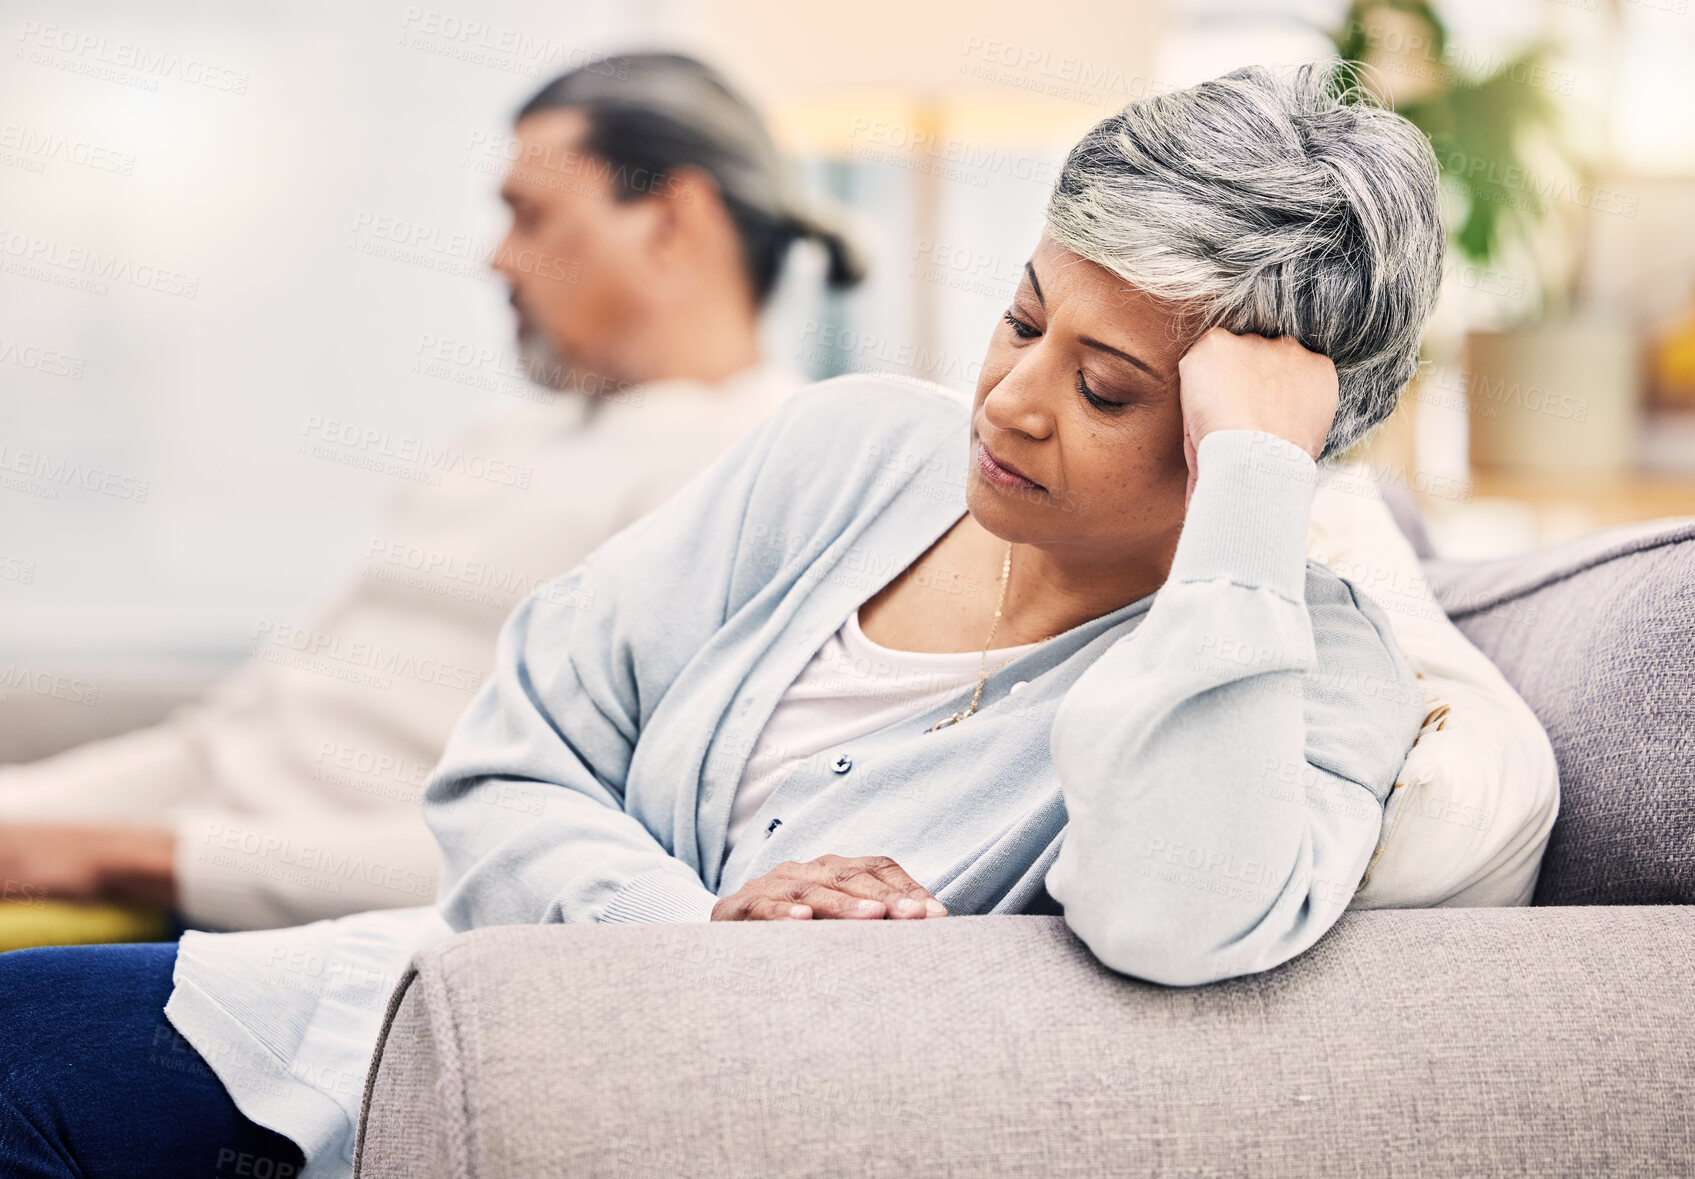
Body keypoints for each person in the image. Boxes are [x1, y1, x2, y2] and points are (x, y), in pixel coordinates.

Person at [0, 62, 1555, 1179]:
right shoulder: (851, 450)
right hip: (418, 1014)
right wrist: (696, 943)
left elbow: (1170, 911)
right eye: (1022, 315)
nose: (1008, 399)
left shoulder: (1310, 670)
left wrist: (1250, 510)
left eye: (1103, 388)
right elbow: (502, 765)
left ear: (1248, 438)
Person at [0, 52, 864, 938]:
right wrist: (27, 820)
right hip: (176, 859)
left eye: (529, 216)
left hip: (281, 923)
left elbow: (557, 844)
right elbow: (234, 738)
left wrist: (128, 853)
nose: (497, 259)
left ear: (672, 219)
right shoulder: (501, 442)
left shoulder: (747, 472)